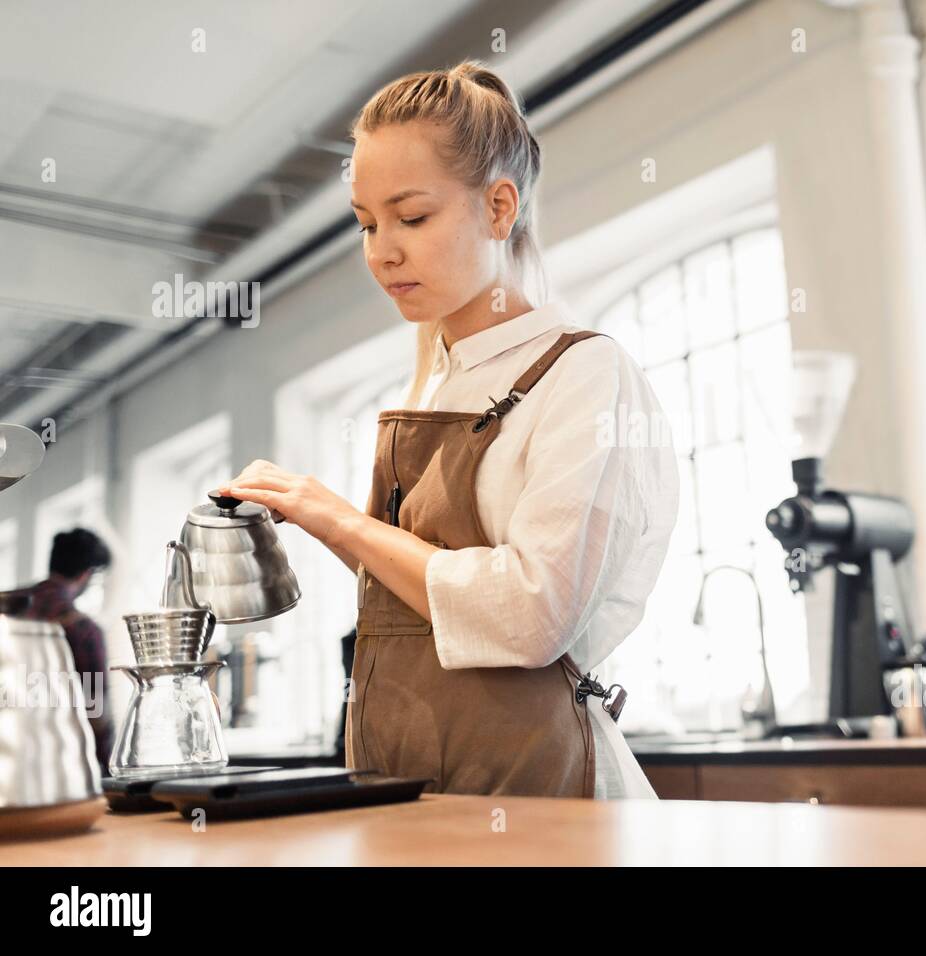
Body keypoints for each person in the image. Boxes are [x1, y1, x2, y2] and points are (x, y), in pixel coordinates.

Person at [217, 60, 678, 799]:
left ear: (499, 207)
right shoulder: (437, 380)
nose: (381, 251)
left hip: (543, 791)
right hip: (411, 781)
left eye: (412, 216)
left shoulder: (586, 374)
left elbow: (533, 614)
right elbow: (419, 600)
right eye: (366, 223)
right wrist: (322, 525)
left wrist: (341, 518)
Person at [20, 527, 114, 773]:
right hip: (62, 771)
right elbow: (96, 713)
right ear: (87, 574)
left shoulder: (9, 609)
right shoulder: (83, 629)